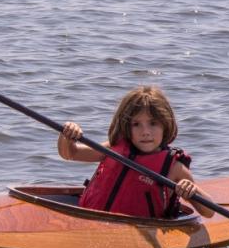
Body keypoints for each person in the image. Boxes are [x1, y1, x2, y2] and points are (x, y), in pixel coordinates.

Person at [57, 85, 215, 219]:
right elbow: (70, 153)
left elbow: (209, 212)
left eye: (153, 124)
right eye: (136, 124)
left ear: (165, 125)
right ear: (127, 126)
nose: (145, 132)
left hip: (136, 230)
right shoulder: (114, 148)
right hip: (89, 218)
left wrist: (190, 190)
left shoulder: (174, 167)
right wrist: (67, 136)